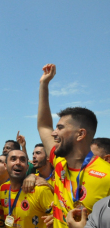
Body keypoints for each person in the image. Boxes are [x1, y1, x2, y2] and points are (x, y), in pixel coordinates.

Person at [37, 63, 110, 228]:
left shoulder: (107, 176)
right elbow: (43, 126)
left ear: (80, 134)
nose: (54, 133)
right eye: (55, 127)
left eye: (60, 128)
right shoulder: (59, 162)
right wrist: (44, 84)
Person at [0, 150, 53, 228]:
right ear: (5, 165)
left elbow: (59, 218)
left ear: (27, 167)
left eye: (22, 160)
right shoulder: (3, 188)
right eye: (13, 159)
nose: (18, 162)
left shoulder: (40, 189)